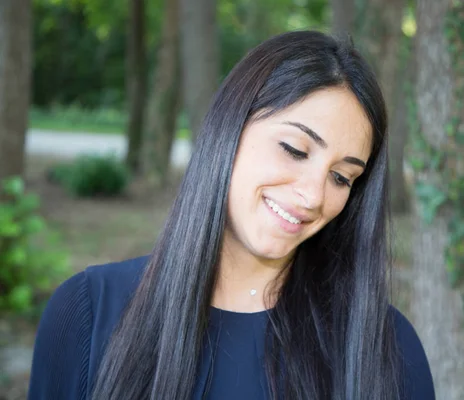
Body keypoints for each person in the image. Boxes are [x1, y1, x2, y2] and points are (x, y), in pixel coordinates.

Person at [27, 30, 435, 400]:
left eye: (342, 177)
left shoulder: (389, 349)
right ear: (229, 131)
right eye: (294, 149)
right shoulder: (86, 313)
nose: (313, 196)